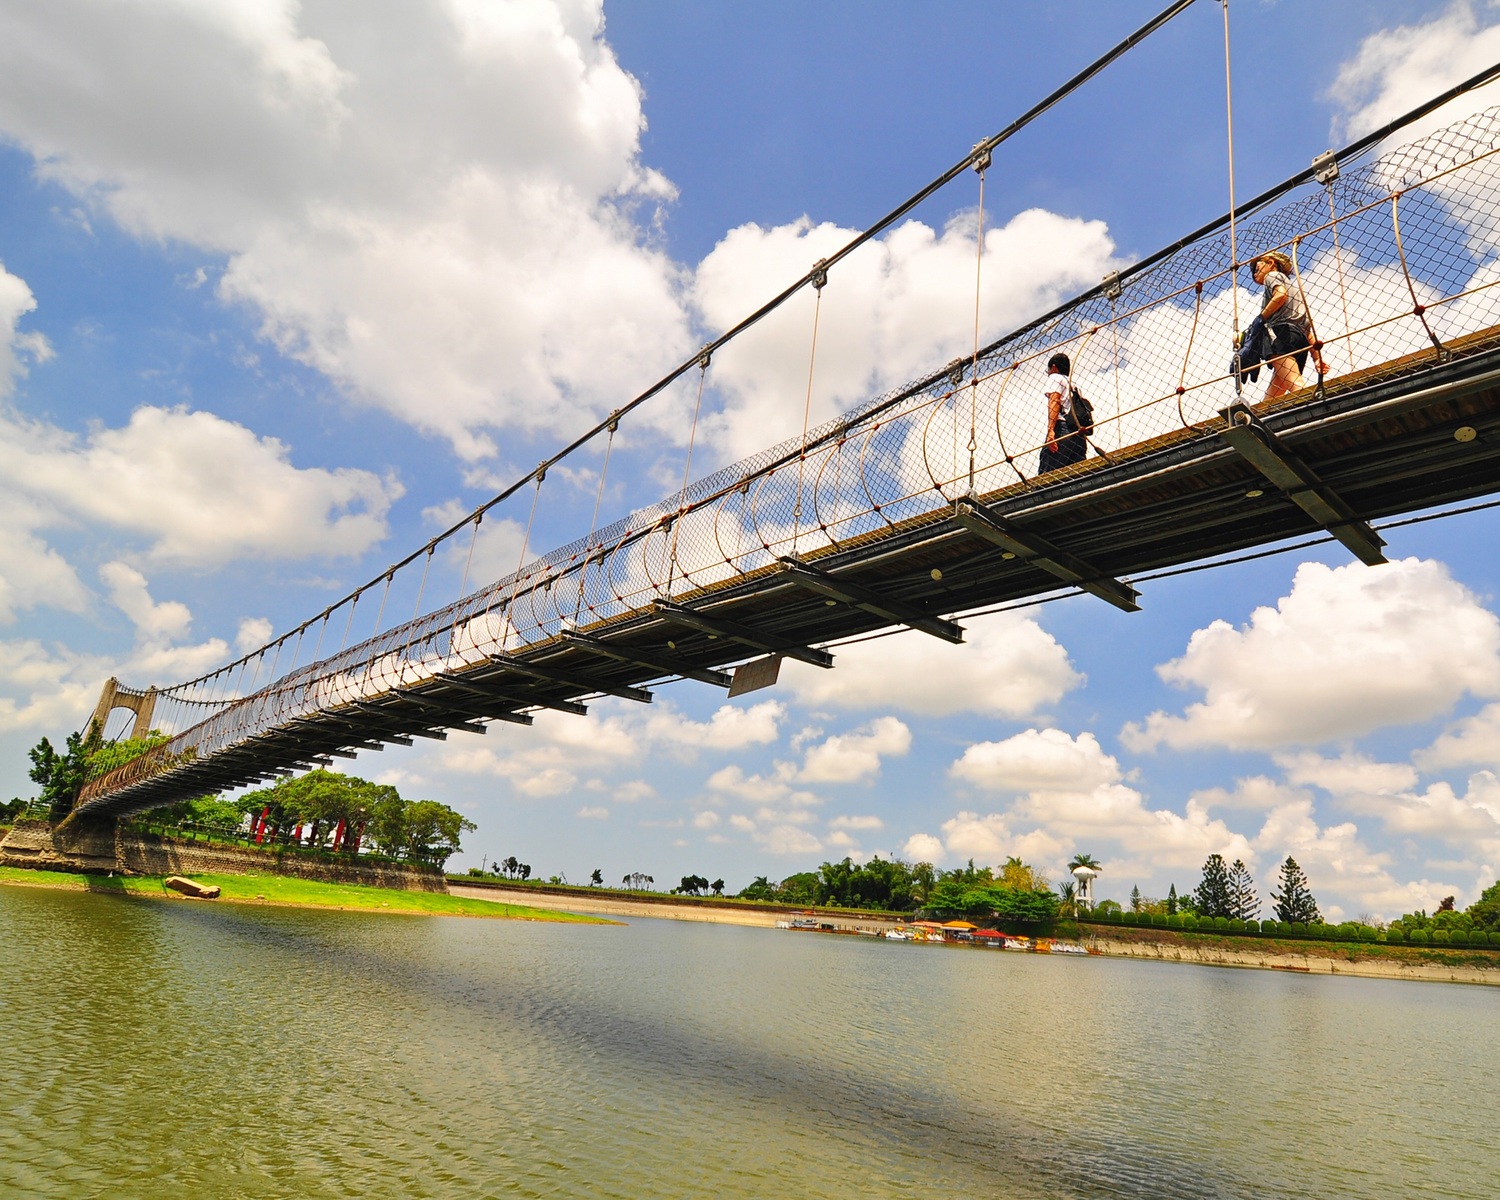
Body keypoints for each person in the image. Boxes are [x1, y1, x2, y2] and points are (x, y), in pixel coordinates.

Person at [1248, 250, 1326, 399]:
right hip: (1300, 339)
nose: (1253, 275)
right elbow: (1307, 330)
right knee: (1277, 387)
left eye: (1256, 269)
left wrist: (1261, 318)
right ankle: (1264, 415)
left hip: (1280, 333)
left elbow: (1280, 295)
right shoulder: (1294, 290)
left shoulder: (1272, 276)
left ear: (1270, 263)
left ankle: (1316, 406)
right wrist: (1316, 357)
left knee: (1294, 383)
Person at [1038, 351, 1086, 473]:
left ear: (1053, 367)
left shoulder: (1055, 377)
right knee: (1078, 475)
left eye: (1048, 370)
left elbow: (1055, 400)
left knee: (1047, 477)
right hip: (1079, 434)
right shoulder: (1074, 386)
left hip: (1062, 430)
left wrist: (1050, 431)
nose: (1048, 373)